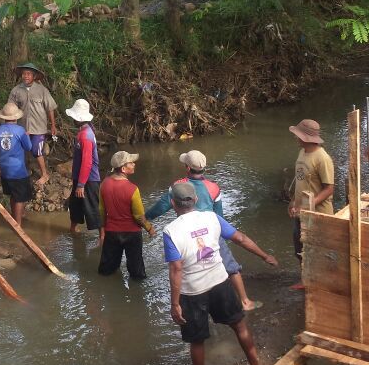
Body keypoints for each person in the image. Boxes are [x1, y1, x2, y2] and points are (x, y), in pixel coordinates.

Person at [163, 181, 277, 365]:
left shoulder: (171, 231)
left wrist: (174, 304)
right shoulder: (211, 217)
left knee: (197, 342)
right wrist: (264, 255)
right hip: (220, 283)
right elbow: (240, 238)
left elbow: (176, 268)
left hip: (192, 293)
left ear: (173, 204)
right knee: (240, 326)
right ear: (196, 199)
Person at [146, 150, 262, 311]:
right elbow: (219, 215)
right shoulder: (214, 187)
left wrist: (146, 217)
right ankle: (245, 301)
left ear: (187, 167)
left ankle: (187, 304)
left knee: (186, 270)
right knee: (231, 268)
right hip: (211, 230)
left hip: (187, 233)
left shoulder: (178, 187)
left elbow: (162, 206)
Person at [288, 119, 335, 291]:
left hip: (318, 213)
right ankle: (307, 279)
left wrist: (308, 205)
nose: (295, 138)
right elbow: (301, 182)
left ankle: (320, 282)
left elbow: (329, 189)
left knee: (317, 249)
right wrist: (294, 202)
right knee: (300, 247)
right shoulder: (302, 152)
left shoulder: (322, 158)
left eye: (298, 135)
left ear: (306, 138)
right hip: (301, 212)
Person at [97, 151, 154, 279]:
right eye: (131, 163)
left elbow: (101, 210)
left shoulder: (104, 184)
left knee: (107, 269)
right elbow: (139, 216)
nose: (134, 164)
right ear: (123, 169)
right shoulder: (133, 189)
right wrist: (149, 228)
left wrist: (102, 231)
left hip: (111, 232)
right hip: (132, 234)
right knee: (136, 271)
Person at [8, 63, 58, 186]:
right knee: (21, 150)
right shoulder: (16, 90)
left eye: (29, 74)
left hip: (38, 127)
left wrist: (53, 125)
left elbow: (50, 108)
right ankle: (24, 171)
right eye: (24, 73)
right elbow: (10, 108)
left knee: (36, 150)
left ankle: (45, 174)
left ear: (34, 76)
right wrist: (10, 126)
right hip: (21, 126)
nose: (26, 76)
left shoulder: (42, 90)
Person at [66, 98, 101, 234]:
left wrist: (81, 184)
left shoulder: (86, 136)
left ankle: (102, 237)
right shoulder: (83, 132)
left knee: (93, 208)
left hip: (89, 179)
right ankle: (73, 230)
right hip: (80, 176)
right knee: (75, 205)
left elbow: (87, 162)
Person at [0, 102, 33, 225]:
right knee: (20, 197)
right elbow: (28, 147)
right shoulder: (20, 130)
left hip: (4, 168)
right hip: (17, 169)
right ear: (16, 117)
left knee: (12, 194)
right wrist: (27, 136)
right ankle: (18, 225)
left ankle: (14, 218)